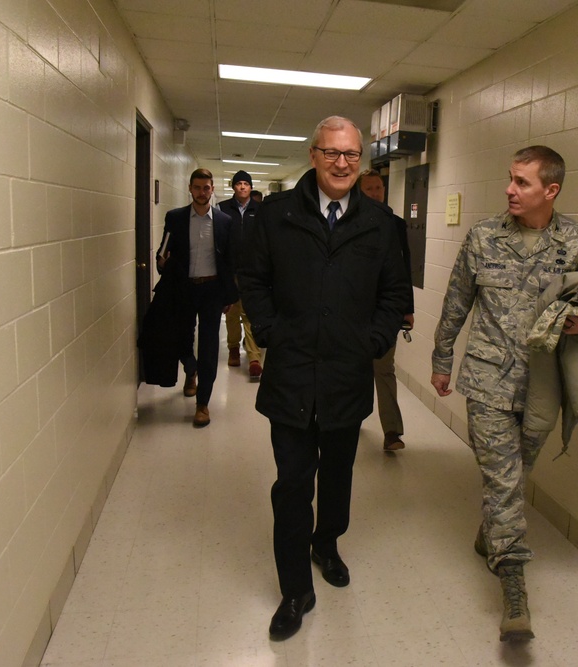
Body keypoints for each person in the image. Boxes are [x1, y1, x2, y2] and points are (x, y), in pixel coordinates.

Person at [239, 116, 411, 640]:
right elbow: (252, 278)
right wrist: (269, 331)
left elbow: (395, 297)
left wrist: (371, 343)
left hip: (345, 376)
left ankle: (327, 542)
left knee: (337, 476)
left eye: (352, 155)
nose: (342, 164)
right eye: (332, 153)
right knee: (292, 484)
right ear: (313, 155)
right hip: (290, 376)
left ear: (362, 160)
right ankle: (294, 589)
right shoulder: (276, 216)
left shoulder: (381, 224)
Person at [430, 146, 578, 642]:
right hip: (486, 380)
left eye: (522, 182)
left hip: (544, 386)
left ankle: (492, 536)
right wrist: (442, 360)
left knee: (515, 474)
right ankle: (514, 593)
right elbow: (456, 301)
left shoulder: (577, 243)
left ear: (550, 190)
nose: (510, 189)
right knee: (504, 482)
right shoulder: (483, 238)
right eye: (510, 179)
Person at [155, 168, 238, 427]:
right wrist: (161, 263)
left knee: (209, 345)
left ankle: (203, 402)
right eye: (197, 187)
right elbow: (163, 252)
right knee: (181, 336)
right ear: (190, 189)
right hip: (183, 289)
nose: (202, 192)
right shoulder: (176, 218)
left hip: (212, 290)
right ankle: (190, 369)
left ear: (212, 190)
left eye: (207, 188)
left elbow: (230, 261)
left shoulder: (224, 221)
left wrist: (229, 294)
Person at [357, 169, 413, 451]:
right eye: (369, 188)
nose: (375, 193)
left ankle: (392, 431)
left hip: (386, 310)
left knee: (384, 367)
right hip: (353, 308)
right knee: (355, 368)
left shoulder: (396, 224)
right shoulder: (347, 223)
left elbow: (404, 270)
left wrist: (407, 308)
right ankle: (351, 417)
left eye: (378, 187)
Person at [218, 170, 263, 380]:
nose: (243, 187)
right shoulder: (223, 209)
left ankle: (254, 357)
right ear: (233, 187)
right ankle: (234, 348)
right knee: (233, 312)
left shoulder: (260, 210)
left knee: (251, 313)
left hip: (253, 271)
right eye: (239, 183)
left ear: (251, 187)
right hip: (230, 269)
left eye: (246, 183)